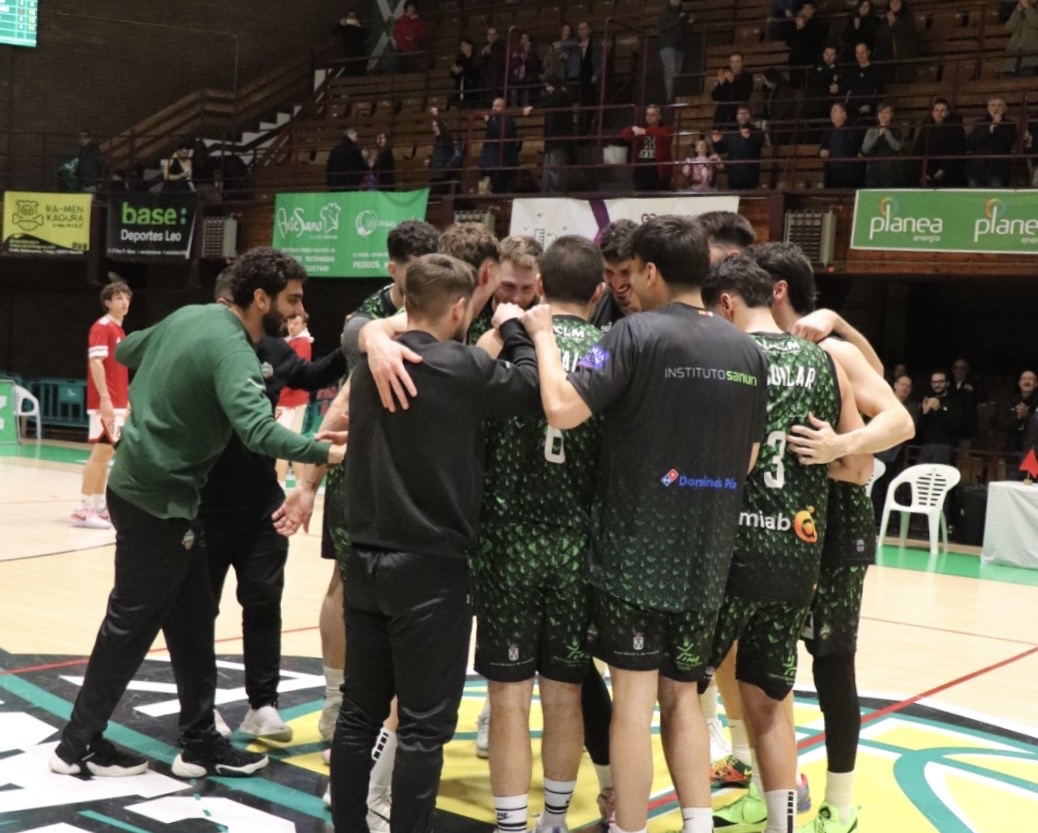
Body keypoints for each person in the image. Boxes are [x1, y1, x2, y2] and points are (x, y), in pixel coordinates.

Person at [48, 247, 345, 781]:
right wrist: (329, 452)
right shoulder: (233, 350)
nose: (298, 311)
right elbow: (257, 430)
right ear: (261, 299)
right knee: (129, 626)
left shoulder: (191, 316)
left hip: (162, 497)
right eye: (292, 299)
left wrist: (174, 372)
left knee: (190, 621)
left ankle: (200, 741)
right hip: (155, 502)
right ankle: (76, 745)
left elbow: (128, 349)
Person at [520, 215, 769, 833]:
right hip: (707, 554)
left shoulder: (632, 334)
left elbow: (562, 408)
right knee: (683, 696)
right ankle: (697, 825)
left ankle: (629, 827)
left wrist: (544, 338)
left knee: (633, 703)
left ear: (651, 271)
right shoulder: (746, 349)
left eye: (631, 271)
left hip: (636, 552)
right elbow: (747, 459)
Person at [328, 253, 542, 833]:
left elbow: (358, 331)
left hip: (364, 560)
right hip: (430, 569)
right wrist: (516, 330)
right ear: (459, 309)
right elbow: (530, 388)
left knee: (358, 715)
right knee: (423, 729)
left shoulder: (371, 364)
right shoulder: (460, 364)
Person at [702, 254, 870, 833]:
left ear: (727, 304)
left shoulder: (728, 358)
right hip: (798, 557)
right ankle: (783, 825)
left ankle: (689, 819)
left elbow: (727, 461)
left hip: (728, 553)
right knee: (770, 702)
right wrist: (823, 454)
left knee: (679, 693)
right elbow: (859, 467)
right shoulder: (825, 363)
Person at [751, 241, 915, 833]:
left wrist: (840, 446)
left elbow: (898, 419)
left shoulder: (829, 349)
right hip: (777, 523)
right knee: (761, 664)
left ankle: (839, 805)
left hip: (836, 524)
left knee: (831, 663)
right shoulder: (757, 351)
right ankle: (770, 787)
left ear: (775, 291)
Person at [473, 236, 605, 833]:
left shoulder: (507, 342)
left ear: (542, 286)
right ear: (599, 292)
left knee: (507, 697)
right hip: (578, 546)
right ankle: (554, 821)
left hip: (507, 543)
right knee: (564, 692)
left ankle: (510, 824)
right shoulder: (611, 349)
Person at [202, 273, 346, 744]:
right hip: (203, 504)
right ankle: (200, 707)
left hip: (261, 504)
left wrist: (357, 339)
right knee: (199, 610)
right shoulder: (207, 347)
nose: (297, 309)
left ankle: (262, 705)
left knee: (264, 601)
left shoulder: (274, 350)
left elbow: (313, 375)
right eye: (292, 299)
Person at [71, 280, 132, 529]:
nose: (124, 302)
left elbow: (117, 370)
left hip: (117, 403)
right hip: (105, 403)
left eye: (126, 297)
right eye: (118, 298)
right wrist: (105, 398)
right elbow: (96, 363)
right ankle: (82, 509)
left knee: (106, 454)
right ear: (108, 302)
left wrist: (125, 400)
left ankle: (97, 504)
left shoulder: (119, 331)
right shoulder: (102, 326)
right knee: (100, 454)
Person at [273, 310, 314, 485]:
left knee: (280, 445)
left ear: (304, 325)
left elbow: (291, 372)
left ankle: (281, 485)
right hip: (295, 401)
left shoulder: (301, 343)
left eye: (296, 323)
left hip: (289, 402)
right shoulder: (295, 341)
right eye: (290, 323)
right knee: (292, 445)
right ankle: (300, 485)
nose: (291, 326)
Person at [592, 218, 640, 331]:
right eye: (608, 272)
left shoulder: (666, 310)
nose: (617, 285)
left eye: (626, 272)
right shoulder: (593, 306)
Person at [529, 75, 574, 194]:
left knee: (555, 166)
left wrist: (534, 107)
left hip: (558, 138)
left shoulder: (561, 95)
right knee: (549, 166)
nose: (547, 89)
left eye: (548, 86)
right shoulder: (558, 96)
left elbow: (551, 101)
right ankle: (547, 191)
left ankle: (554, 192)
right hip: (552, 138)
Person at [913, 98, 967, 187]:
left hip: (949, 172)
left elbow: (958, 151)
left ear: (948, 112)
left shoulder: (956, 128)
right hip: (928, 172)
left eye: (942, 110)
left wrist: (943, 170)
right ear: (932, 112)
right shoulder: (926, 128)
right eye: (936, 110)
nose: (939, 113)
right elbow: (918, 151)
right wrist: (923, 173)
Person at [621, 104, 674, 191]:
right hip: (641, 167)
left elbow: (665, 133)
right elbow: (625, 134)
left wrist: (645, 131)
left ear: (659, 116)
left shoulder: (665, 128)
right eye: (648, 114)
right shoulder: (640, 129)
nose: (650, 117)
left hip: (657, 169)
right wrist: (632, 128)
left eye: (653, 114)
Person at [712, 105, 766, 190]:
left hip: (751, 178)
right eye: (741, 113)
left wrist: (749, 138)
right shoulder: (730, 133)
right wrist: (716, 141)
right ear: (737, 116)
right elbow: (720, 150)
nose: (743, 116)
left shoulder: (757, 132)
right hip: (734, 178)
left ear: (750, 116)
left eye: (746, 113)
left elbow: (759, 144)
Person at [966, 98, 1017, 187]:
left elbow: (1010, 140)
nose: (996, 108)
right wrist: (989, 129)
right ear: (988, 108)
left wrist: (997, 126)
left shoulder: (1009, 123)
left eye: (999, 105)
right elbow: (971, 141)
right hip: (977, 168)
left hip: (997, 169)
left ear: (1004, 108)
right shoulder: (980, 123)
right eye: (993, 105)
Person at [996, 370, 1038, 476]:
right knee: (1012, 482)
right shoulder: (1010, 402)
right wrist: (1018, 418)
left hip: (1034, 453)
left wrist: (1026, 416)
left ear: (1036, 384)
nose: (1027, 382)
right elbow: (1001, 425)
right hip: (1013, 451)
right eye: (1024, 379)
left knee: (1030, 484)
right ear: (1019, 383)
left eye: (1030, 379)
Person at [566, 22, 604, 134]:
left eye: (584, 28)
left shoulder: (596, 44)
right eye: (580, 29)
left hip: (590, 75)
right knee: (576, 101)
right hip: (577, 76)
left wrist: (596, 75)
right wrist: (577, 44)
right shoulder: (575, 44)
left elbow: (600, 62)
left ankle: (589, 125)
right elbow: (561, 44)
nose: (582, 31)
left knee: (589, 101)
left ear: (589, 30)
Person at [479, 98, 521, 194]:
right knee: (491, 186)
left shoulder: (507, 119)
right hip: (492, 160)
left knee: (500, 186)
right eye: (493, 106)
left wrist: (488, 121)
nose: (494, 108)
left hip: (502, 160)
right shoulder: (495, 120)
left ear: (504, 108)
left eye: (497, 106)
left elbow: (501, 132)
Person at [861, 102, 908, 187]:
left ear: (891, 115)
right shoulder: (872, 130)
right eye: (880, 112)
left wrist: (885, 131)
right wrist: (878, 136)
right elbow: (865, 148)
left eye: (886, 112)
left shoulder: (897, 130)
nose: (883, 115)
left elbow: (897, 146)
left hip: (891, 172)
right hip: (874, 171)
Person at [820, 102, 866, 188]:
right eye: (831, 111)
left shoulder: (854, 127)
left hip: (850, 171)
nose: (832, 113)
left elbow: (860, 144)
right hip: (833, 171)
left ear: (844, 113)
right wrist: (823, 150)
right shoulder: (828, 131)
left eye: (835, 111)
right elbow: (824, 146)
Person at [872, 0, 918, 83]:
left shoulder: (908, 17)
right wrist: (889, 25)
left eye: (897, 2)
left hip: (903, 57)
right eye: (892, 2)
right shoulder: (886, 18)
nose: (895, 4)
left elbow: (909, 33)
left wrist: (895, 22)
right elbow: (879, 34)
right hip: (887, 58)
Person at [786, 2, 828, 89]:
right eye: (805, 8)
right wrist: (798, 29)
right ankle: (795, 86)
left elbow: (815, 40)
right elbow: (789, 43)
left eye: (810, 8)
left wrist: (803, 29)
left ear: (814, 10)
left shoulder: (819, 23)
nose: (807, 10)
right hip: (799, 54)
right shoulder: (795, 23)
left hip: (813, 52)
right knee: (794, 55)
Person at [659, 0, 693, 102]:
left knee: (676, 73)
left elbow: (687, 31)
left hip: (680, 47)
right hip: (668, 45)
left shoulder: (683, 14)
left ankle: (673, 97)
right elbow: (663, 27)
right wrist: (679, 19)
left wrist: (690, 23)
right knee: (671, 71)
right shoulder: (666, 11)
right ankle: (670, 98)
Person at [711, 51, 755, 129]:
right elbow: (715, 97)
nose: (735, 65)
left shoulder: (747, 77)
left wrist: (733, 82)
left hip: (737, 115)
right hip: (723, 114)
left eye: (738, 62)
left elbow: (744, 96)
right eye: (732, 62)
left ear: (742, 63)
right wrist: (721, 84)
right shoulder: (726, 76)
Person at [843, 42, 884, 123]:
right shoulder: (852, 72)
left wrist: (870, 106)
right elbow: (846, 91)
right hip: (853, 113)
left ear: (868, 52)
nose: (860, 55)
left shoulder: (876, 71)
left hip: (869, 113)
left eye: (862, 52)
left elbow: (881, 92)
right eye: (857, 53)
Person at [428, 107, 461, 194]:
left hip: (442, 175)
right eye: (433, 126)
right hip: (435, 175)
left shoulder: (446, 139)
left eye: (436, 126)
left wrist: (437, 116)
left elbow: (445, 131)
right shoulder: (437, 141)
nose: (434, 128)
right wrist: (430, 163)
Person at [761, 67, 797, 146]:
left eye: (766, 80)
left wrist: (770, 121)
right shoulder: (770, 90)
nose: (765, 83)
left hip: (785, 123)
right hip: (775, 121)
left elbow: (782, 109)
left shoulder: (784, 89)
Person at [390, 0, 428, 72]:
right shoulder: (401, 20)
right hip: (402, 50)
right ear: (406, 8)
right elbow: (396, 34)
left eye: (413, 7)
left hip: (414, 50)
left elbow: (423, 35)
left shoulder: (420, 22)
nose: (412, 8)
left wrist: (414, 37)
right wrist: (405, 38)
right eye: (410, 7)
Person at [1003, 0, 1038, 76]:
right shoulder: (1021, 9)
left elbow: (1035, 23)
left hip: (1031, 59)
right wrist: (1018, 10)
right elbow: (1009, 27)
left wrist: (1027, 8)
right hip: (1013, 57)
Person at [508, 31, 542, 107]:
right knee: (513, 92)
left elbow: (536, 67)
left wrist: (528, 56)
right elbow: (511, 66)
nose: (524, 41)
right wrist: (520, 58)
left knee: (526, 93)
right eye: (523, 39)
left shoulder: (533, 55)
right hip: (515, 81)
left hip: (528, 81)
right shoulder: (515, 53)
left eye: (526, 39)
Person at [477, 26, 507, 106]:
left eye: (493, 34)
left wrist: (491, 53)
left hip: (497, 81)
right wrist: (483, 55)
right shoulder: (484, 49)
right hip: (486, 82)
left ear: (497, 36)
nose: (491, 37)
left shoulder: (501, 47)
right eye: (489, 34)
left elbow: (500, 61)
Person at [450, 39, 479, 107]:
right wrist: (456, 71)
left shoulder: (475, 58)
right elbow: (453, 74)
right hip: (461, 86)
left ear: (470, 46)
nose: (462, 48)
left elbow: (472, 71)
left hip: (472, 87)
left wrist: (461, 70)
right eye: (461, 46)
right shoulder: (460, 59)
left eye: (464, 45)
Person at [337, 11, 368, 76]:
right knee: (351, 70)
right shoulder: (344, 27)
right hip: (349, 52)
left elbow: (365, 36)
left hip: (359, 52)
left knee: (360, 69)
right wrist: (340, 24)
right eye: (349, 17)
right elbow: (334, 32)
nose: (351, 19)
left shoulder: (359, 27)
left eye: (352, 17)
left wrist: (359, 26)